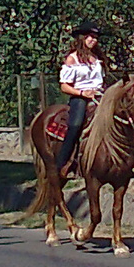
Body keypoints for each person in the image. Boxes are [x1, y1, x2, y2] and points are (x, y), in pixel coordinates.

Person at [56, 20, 104, 179]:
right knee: (76, 124)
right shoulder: (72, 59)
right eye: (90, 36)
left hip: (99, 95)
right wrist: (83, 93)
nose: (93, 40)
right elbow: (64, 86)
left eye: (95, 37)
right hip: (80, 97)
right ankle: (63, 163)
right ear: (81, 38)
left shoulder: (97, 58)